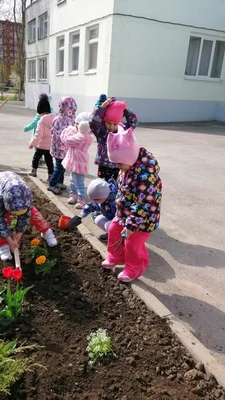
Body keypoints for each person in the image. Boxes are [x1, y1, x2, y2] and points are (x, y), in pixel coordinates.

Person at [102, 127, 162, 283]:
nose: (117, 167)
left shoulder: (146, 176)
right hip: (124, 213)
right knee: (114, 230)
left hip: (143, 219)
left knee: (132, 242)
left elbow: (145, 204)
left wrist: (131, 225)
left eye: (119, 163)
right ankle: (116, 256)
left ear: (129, 157)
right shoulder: (127, 166)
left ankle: (133, 267)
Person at [0, 171, 57, 261]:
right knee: (3, 219)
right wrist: (9, 240)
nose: (15, 216)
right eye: (13, 213)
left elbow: (26, 216)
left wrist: (19, 233)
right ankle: (3, 245)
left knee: (33, 214)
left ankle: (46, 231)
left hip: (14, 183)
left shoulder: (26, 194)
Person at [90, 98, 138, 182]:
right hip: (103, 165)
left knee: (116, 186)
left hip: (118, 166)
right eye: (108, 123)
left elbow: (133, 122)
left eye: (115, 124)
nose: (111, 127)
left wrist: (123, 110)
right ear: (104, 121)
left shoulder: (123, 130)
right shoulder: (101, 131)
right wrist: (101, 109)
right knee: (102, 186)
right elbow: (93, 122)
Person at [61, 112, 93, 209]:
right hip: (77, 161)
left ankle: (81, 199)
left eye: (77, 124)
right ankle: (74, 196)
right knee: (73, 180)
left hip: (77, 162)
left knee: (78, 181)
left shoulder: (80, 137)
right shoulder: (87, 136)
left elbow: (66, 140)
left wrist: (67, 130)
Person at [48, 96, 77, 195]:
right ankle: (52, 184)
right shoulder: (70, 120)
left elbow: (52, 132)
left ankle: (59, 182)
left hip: (57, 148)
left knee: (61, 166)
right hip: (63, 149)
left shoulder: (57, 118)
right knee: (60, 167)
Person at [29, 97, 55, 181]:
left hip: (41, 145)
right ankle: (51, 175)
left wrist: (33, 143)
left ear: (40, 111)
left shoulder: (41, 121)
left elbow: (38, 134)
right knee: (49, 161)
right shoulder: (55, 119)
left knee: (36, 158)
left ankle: (34, 171)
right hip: (50, 146)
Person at [24, 94, 54, 166]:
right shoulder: (52, 112)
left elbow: (35, 126)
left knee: (37, 154)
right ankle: (50, 171)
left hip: (40, 138)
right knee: (48, 155)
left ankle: (35, 168)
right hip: (50, 138)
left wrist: (26, 128)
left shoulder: (40, 115)